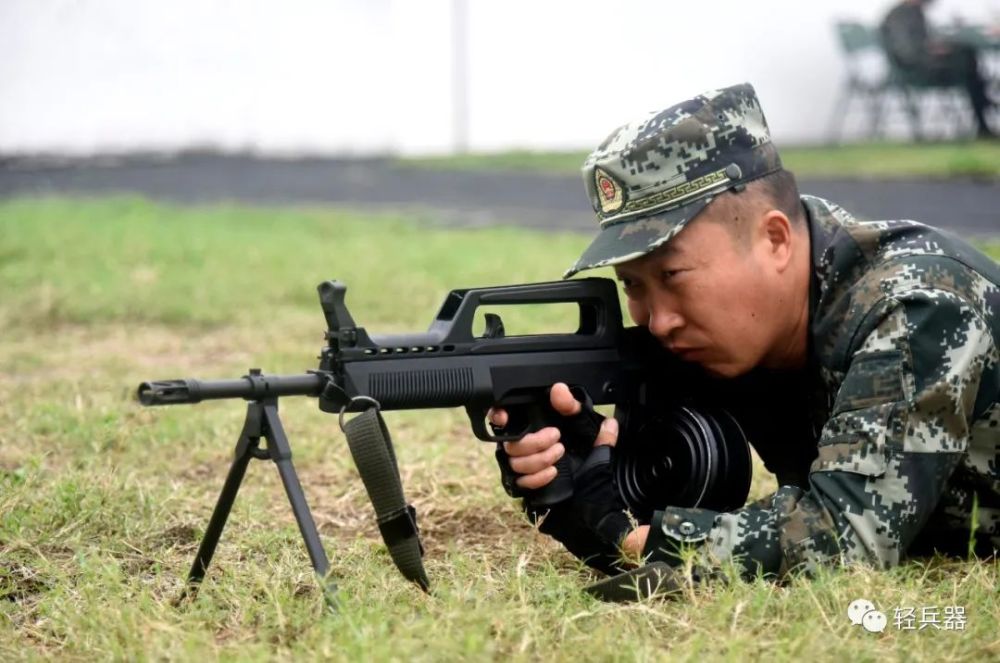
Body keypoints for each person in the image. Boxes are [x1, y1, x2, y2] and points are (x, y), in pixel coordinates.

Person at [491, 83, 1000, 592]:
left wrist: (629, 540)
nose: (657, 320)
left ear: (774, 240)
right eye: (633, 285)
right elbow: (701, 475)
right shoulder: (754, 326)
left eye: (673, 276)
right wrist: (588, 466)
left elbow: (848, 537)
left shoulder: (916, 304)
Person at [880, 0, 995, 137]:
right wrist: (932, 51)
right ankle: (984, 108)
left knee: (966, 56)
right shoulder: (899, 16)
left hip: (923, 67)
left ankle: (984, 104)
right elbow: (907, 53)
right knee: (967, 62)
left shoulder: (912, 13)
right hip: (916, 72)